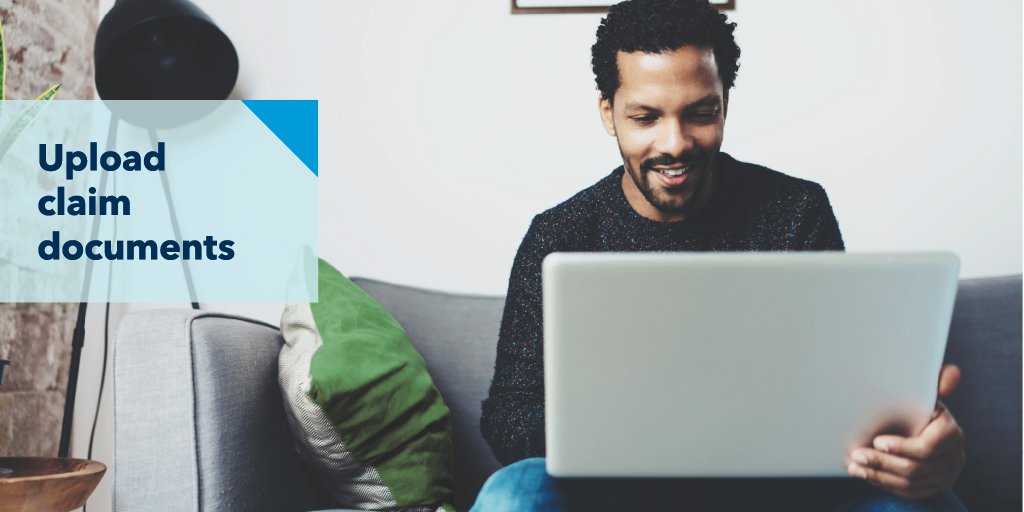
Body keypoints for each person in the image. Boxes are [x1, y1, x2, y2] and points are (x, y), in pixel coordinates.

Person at [473, 0, 967, 510]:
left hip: (776, 492)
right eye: (645, 117)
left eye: (700, 113)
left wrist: (915, 437)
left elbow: (843, 390)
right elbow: (508, 414)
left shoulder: (797, 211)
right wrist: (625, 431)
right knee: (514, 493)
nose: (675, 144)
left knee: (929, 503)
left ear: (725, 104)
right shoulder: (559, 235)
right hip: (616, 492)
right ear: (608, 113)